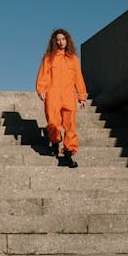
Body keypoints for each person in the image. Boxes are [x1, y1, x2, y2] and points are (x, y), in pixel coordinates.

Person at [36, 28, 87, 168]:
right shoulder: (48, 57)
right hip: (52, 94)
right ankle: (55, 141)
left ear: (67, 40)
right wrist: (41, 90)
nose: (61, 42)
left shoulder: (73, 59)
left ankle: (69, 154)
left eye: (63, 39)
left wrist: (81, 96)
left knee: (70, 125)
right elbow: (43, 75)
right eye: (58, 39)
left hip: (68, 96)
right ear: (54, 41)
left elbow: (78, 77)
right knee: (53, 123)